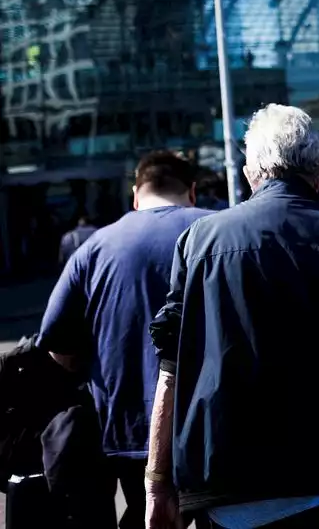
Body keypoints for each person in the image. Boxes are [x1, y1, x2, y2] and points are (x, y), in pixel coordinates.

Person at [146, 105, 319, 529]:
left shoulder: (200, 241)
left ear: (251, 171)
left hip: (230, 483)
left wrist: (157, 482)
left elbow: (171, 368)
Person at [37, 152, 211, 529]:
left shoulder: (94, 249)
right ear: (192, 192)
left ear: (135, 195)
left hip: (127, 427)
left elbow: (57, 345)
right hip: (211, 425)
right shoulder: (218, 230)